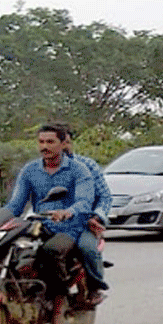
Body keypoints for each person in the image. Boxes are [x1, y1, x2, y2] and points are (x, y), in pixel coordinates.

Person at [4, 124, 96, 278]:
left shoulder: (79, 170)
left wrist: (67, 212)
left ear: (62, 144)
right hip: (39, 226)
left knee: (52, 251)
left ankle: (57, 297)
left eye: (50, 142)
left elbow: (84, 202)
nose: (44, 146)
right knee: (12, 251)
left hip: (70, 228)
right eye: (41, 142)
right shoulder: (30, 170)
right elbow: (16, 204)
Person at [55, 123, 111, 305]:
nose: (65, 147)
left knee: (87, 247)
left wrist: (97, 217)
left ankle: (95, 287)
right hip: (53, 223)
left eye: (67, 142)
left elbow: (105, 197)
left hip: (84, 223)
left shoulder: (88, 166)